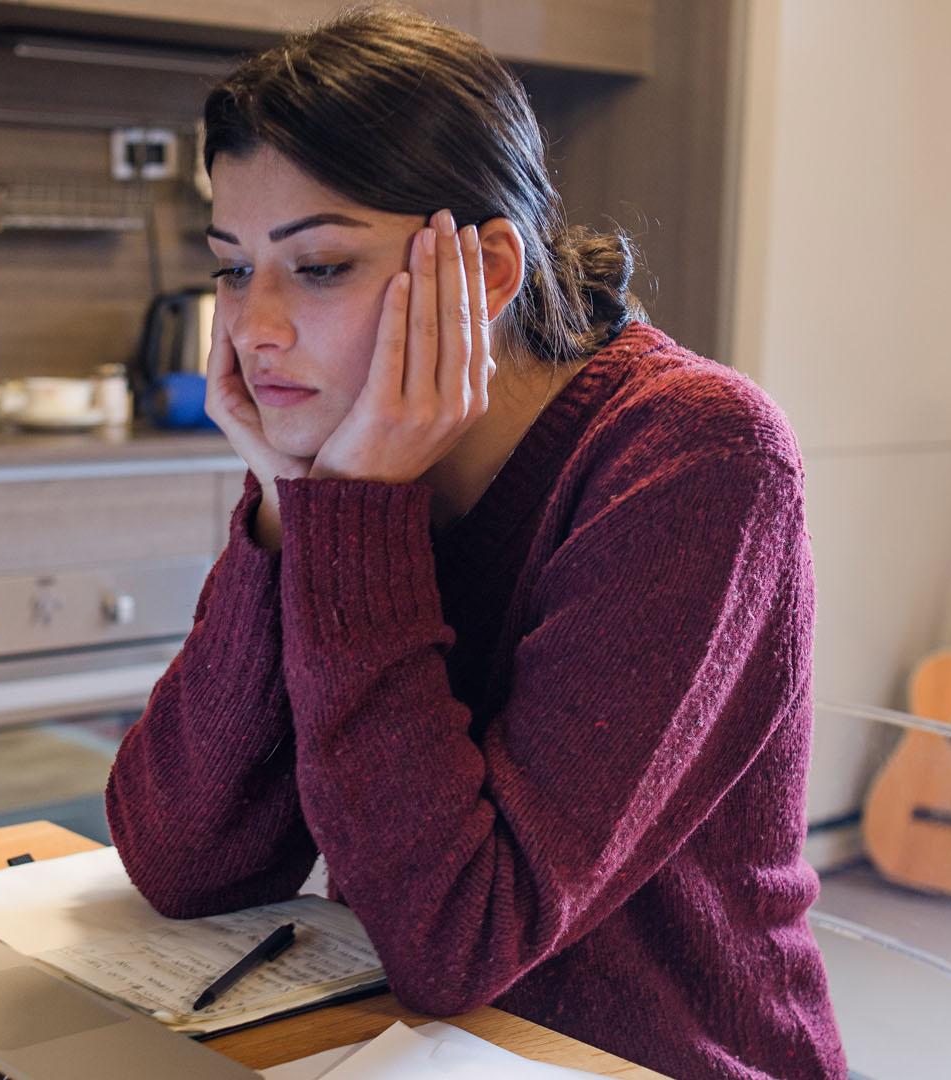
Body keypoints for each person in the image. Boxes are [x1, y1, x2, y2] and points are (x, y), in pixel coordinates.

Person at [104, 7, 845, 1078]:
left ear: (489, 270)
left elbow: (456, 937)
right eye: (231, 268)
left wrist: (351, 511)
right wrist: (285, 505)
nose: (254, 327)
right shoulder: (357, 459)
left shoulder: (698, 455)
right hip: (418, 1049)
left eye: (316, 269)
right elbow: (185, 859)